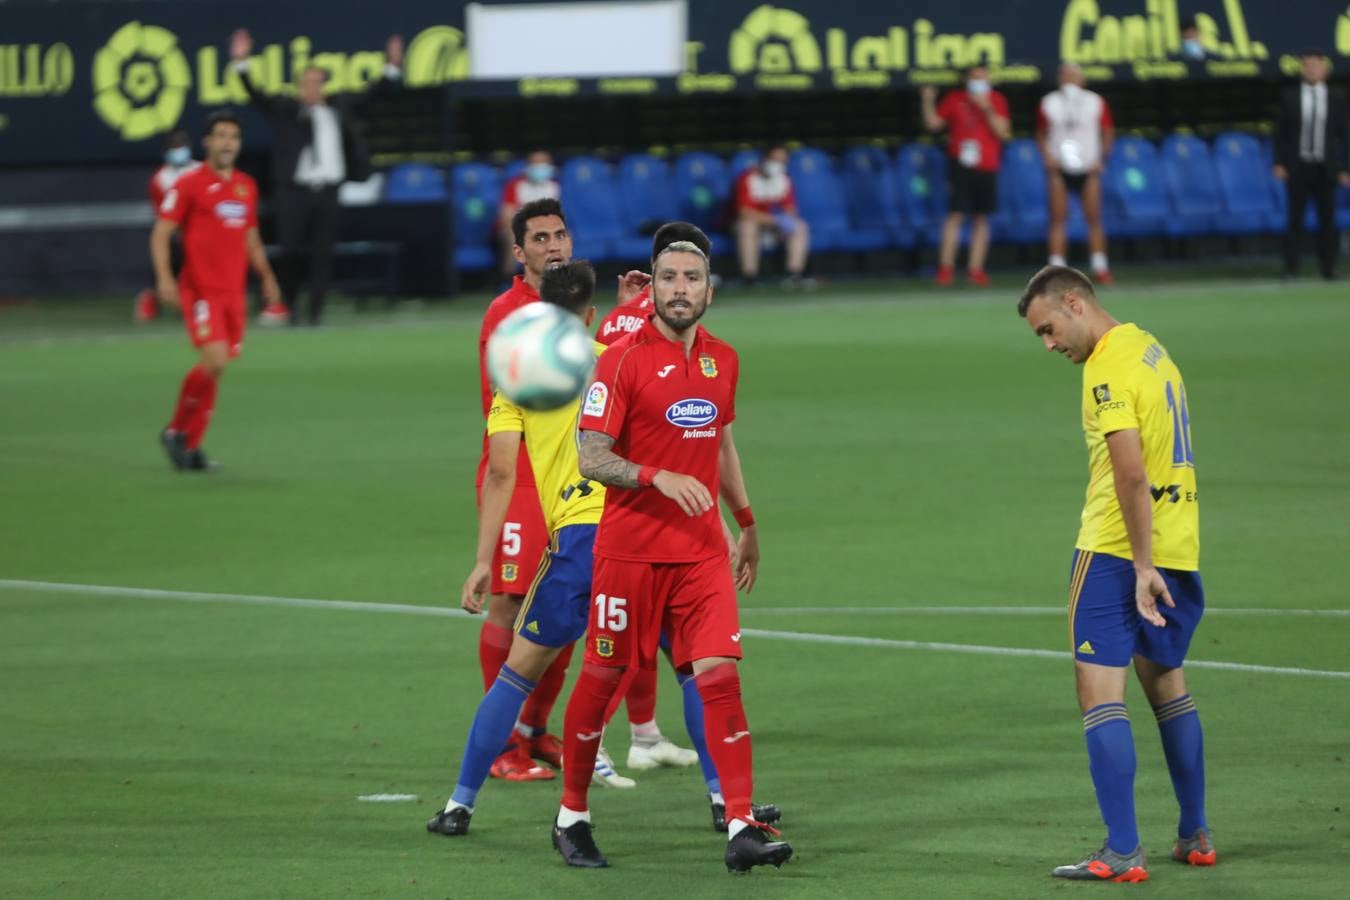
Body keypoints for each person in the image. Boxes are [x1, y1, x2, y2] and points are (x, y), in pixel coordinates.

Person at [554, 241, 791, 872]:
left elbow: (718, 447)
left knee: (721, 678)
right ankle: (571, 814)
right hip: (629, 555)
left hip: (702, 555)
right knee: (603, 679)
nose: (679, 287)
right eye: (668, 278)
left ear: (710, 291)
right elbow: (592, 456)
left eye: (692, 278)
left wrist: (746, 522)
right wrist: (655, 475)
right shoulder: (621, 363)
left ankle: (741, 823)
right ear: (651, 289)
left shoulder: (724, 362)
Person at [1017, 266, 1212, 883]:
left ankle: (1123, 850)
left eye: (1049, 329)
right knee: (1167, 686)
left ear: (1074, 303)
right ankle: (1196, 833)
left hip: (1117, 548)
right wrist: (1158, 560)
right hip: (1179, 543)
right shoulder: (1152, 350)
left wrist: (1139, 565)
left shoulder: (1105, 366)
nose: (1050, 345)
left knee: (1098, 691)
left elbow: (1129, 472)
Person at [472, 198, 576, 783]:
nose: (554, 246)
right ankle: (502, 743)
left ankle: (535, 731)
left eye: (560, 235)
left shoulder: (573, 308)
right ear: (520, 251)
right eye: (540, 238)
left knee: (562, 608)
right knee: (509, 604)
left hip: (569, 480)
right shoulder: (509, 314)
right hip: (519, 477)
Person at [229, 28, 404, 325]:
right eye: (306, 83)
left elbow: (373, 93)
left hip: (328, 191)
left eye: (317, 82)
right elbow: (255, 95)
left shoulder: (338, 107)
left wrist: (392, 65)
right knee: (292, 251)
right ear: (298, 87)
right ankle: (290, 306)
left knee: (323, 253)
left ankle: (316, 312)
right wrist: (241, 63)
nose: (312, 88)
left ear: (323, 85)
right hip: (294, 192)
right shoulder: (287, 110)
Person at [151, 111, 282, 472]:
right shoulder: (190, 184)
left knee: (217, 369)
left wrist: (267, 276)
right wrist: (164, 278)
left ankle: (191, 446)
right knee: (216, 360)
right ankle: (175, 429)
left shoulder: (245, 186)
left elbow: (251, 237)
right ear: (207, 142)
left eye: (234, 137)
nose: (228, 143)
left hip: (232, 292)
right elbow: (161, 234)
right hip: (200, 290)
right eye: (221, 136)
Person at [920, 67, 1011, 287]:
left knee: (981, 217)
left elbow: (1003, 132)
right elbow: (933, 124)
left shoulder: (996, 100)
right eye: (975, 78)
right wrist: (927, 100)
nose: (979, 81)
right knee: (955, 215)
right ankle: (945, 268)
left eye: (983, 77)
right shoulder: (955, 99)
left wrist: (986, 109)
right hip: (960, 165)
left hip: (987, 164)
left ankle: (975, 269)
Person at [1274, 51, 1350, 281]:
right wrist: (1279, 162)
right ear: (1301, 70)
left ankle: (1328, 268)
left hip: (1325, 167)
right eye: (1307, 66)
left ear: (1325, 70)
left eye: (1316, 66)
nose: (1311, 70)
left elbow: (1345, 135)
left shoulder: (1336, 97)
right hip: (1298, 166)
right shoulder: (1289, 96)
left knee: (1327, 220)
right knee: (1294, 218)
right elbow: (1281, 134)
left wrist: (1345, 167)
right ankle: (1291, 269)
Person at [1037, 63, 1115, 284]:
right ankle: (1056, 271)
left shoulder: (1095, 101)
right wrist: (1048, 158)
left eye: (1074, 75)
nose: (1069, 79)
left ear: (1082, 79)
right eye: (1065, 75)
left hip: (1088, 167)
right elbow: (1041, 133)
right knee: (1058, 219)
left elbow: (1108, 131)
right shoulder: (1049, 102)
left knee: (1093, 218)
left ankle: (1100, 267)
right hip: (1059, 168)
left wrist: (1101, 158)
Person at [137, 130, 201, 322]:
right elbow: (163, 217)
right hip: (177, 234)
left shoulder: (202, 170)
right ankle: (151, 297)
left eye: (181, 146)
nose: (178, 150)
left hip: (203, 232)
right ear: (166, 151)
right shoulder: (160, 179)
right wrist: (184, 232)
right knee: (165, 249)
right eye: (174, 147)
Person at [733, 145, 813, 289]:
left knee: (800, 226)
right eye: (775, 159)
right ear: (765, 159)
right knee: (747, 226)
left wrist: (784, 220)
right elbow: (744, 212)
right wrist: (774, 220)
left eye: (782, 161)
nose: (778, 164)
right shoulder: (748, 178)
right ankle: (749, 277)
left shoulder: (784, 179)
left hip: (772, 227)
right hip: (750, 225)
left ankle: (795, 275)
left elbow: (790, 209)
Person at [497, 150, 561, 286]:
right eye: (536, 163)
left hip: (546, 229)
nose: (540, 167)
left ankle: (557, 281)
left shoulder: (554, 186)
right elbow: (507, 214)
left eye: (544, 163)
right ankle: (509, 281)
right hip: (520, 229)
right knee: (511, 237)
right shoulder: (515, 185)